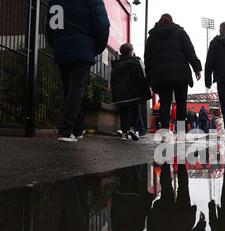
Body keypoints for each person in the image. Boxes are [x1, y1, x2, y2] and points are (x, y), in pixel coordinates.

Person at [46, 0, 110, 142]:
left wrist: (58, 44)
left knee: (69, 90)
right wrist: (95, 48)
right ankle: (66, 130)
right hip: (83, 48)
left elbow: (50, 28)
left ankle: (78, 128)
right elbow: (103, 26)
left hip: (62, 48)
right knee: (76, 89)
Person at [145, 14, 202, 133]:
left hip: (161, 76)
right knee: (181, 103)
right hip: (180, 75)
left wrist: (149, 78)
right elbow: (190, 51)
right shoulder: (180, 33)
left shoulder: (152, 37)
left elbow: (147, 59)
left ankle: (164, 132)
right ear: (171, 21)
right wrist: (197, 68)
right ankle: (181, 132)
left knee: (165, 103)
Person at [111, 43, 151, 141]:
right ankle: (132, 128)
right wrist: (145, 87)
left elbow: (113, 81)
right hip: (134, 92)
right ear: (130, 52)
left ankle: (124, 133)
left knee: (123, 112)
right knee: (135, 110)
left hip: (121, 94)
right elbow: (139, 77)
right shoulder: (134, 62)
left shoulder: (116, 65)